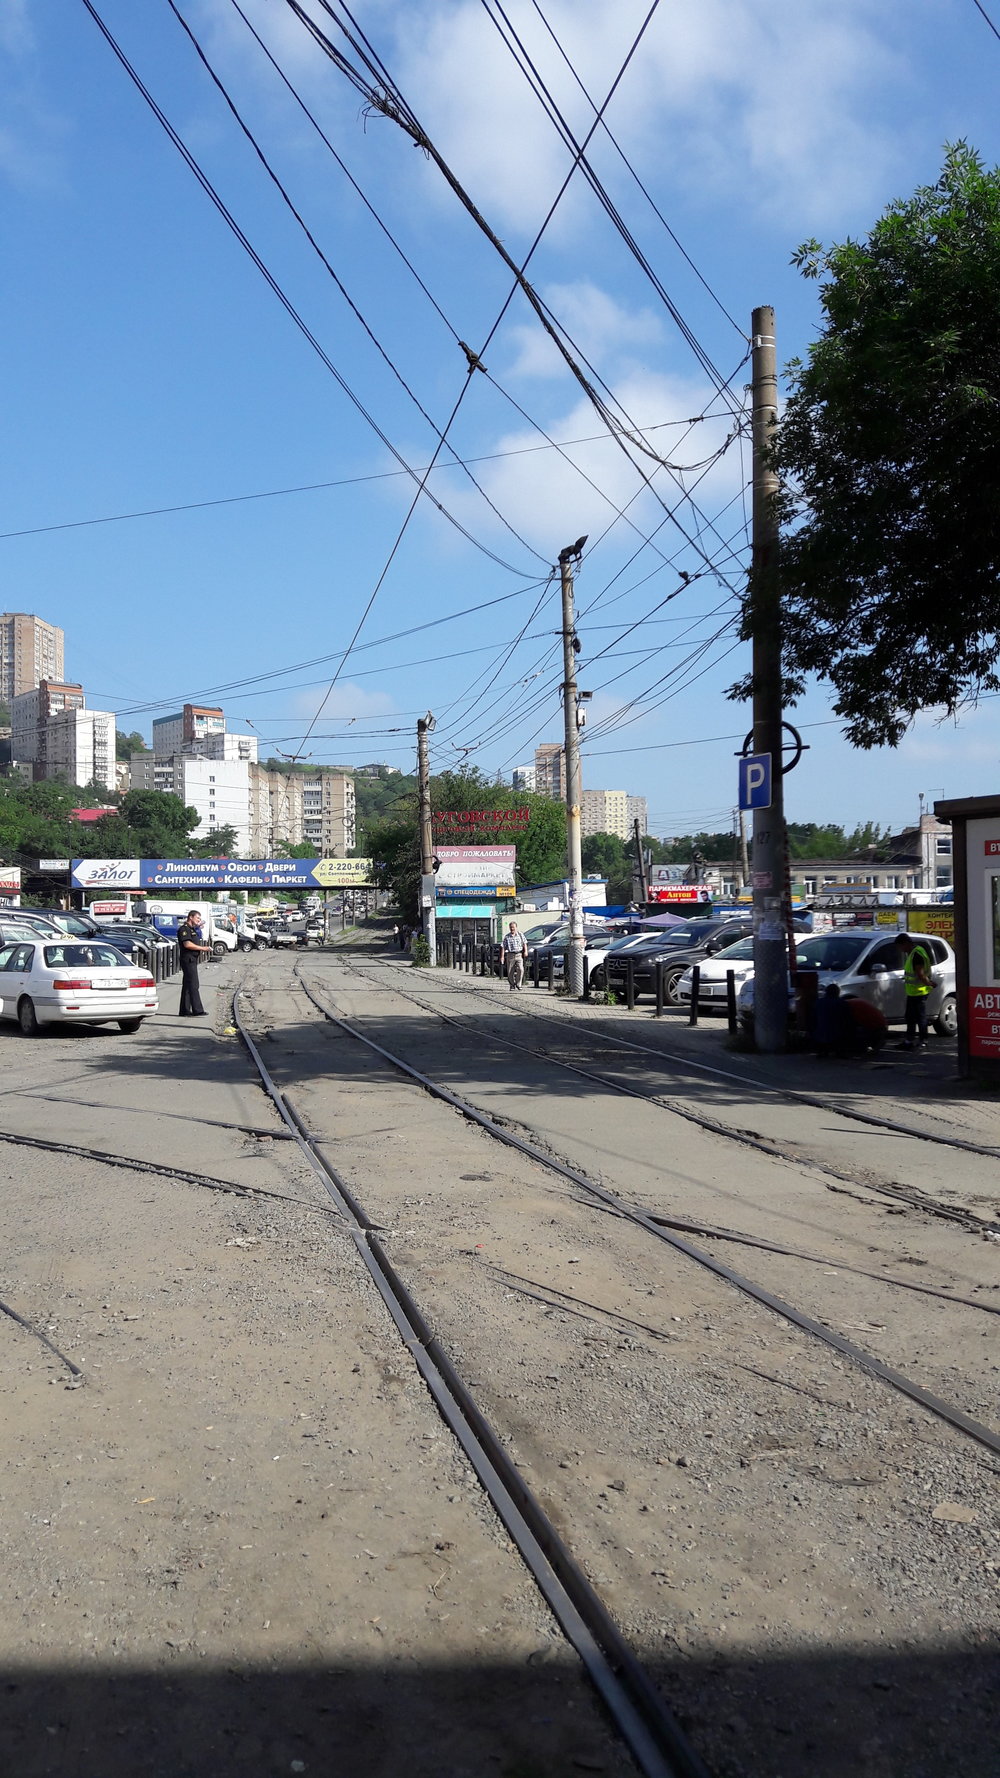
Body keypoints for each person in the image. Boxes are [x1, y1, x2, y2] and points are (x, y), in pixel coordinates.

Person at [895, 932, 933, 1049]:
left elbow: (920, 974)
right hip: (913, 992)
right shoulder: (915, 952)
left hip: (919, 992)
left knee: (919, 1018)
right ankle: (909, 1041)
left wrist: (930, 984)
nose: (900, 949)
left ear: (906, 943)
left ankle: (923, 1041)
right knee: (911, 1017)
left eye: (900, 946)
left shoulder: (916, 955)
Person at [177, 910, 211, 1017]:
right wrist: (203, 948)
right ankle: (198, 1010)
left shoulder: (191, 929)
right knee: (194, 984)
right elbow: (187, 944)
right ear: (190, 917)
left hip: (192, 959)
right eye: (197, 918)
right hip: (188, 959)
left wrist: (198, 926)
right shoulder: (184, 929)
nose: (199, 920)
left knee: (187, 985)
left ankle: (184, 1010)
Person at [502, 920, 527, 991]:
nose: (512, 929)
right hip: (510, 955)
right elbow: (503, 946)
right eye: (511, 927)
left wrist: (526, 951)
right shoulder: (507, 936)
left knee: (521, 969)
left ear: (516, 927)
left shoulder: (520, 934)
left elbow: (525, 943)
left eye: (513, 927)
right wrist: (502, 956)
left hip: (519, 954)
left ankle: (519, 984)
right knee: (510, 971)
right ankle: (512, 985)